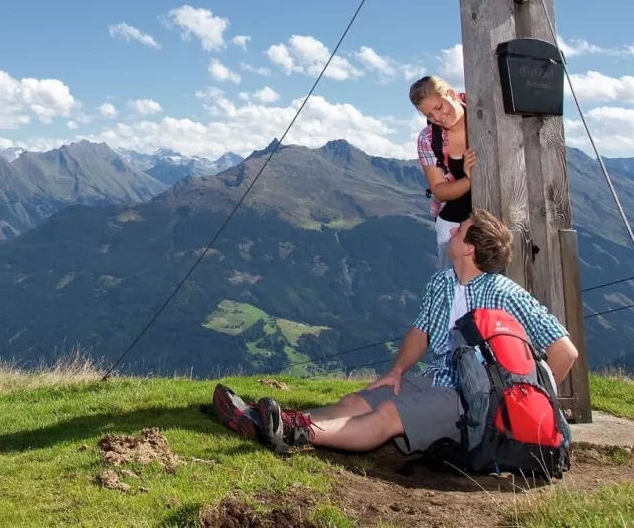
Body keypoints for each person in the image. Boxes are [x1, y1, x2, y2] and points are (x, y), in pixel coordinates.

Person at [213, 209, 578, 455]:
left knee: (387, 415)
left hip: (473, 397)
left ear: (468, 248)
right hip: (439, 378)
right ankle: (272, 422)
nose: (451, 229)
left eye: (460, 230)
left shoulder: (502, 293)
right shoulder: (442, 282)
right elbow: (420, 332)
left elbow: (565, 350)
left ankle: (293, 433)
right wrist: (397, 371)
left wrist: (521, 413)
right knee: (356, 401)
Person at [410, 75, 474, 266]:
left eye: (439, 107)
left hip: (498, 220)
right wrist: (469, 180)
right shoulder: (428, 138)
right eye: (428, 115)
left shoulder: (484, 115)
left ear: (452, 94)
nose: (437, 118)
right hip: (453, 227)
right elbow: (439, 190)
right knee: (453, 286)